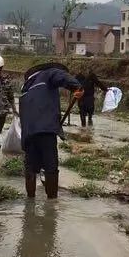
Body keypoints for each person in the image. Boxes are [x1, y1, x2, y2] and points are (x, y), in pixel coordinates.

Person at [19, 62, 82, 199]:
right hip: (46, 130)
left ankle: (30, 203)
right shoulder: (48, 74)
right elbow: (61, 76)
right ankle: (52, 205)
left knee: (30, 168)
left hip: (28, 134)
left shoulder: (26, 87)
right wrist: (76, 87)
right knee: (50, 166)